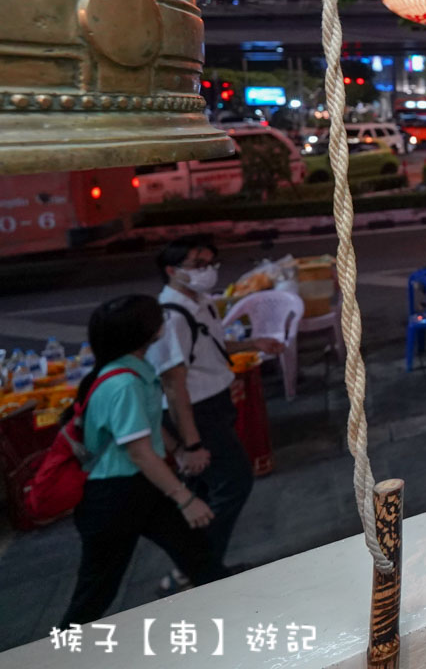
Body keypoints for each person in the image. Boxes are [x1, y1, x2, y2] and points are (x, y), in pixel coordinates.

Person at [60, 295, 227, 627]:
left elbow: (147, 427)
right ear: (141, 333)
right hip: (114, 497)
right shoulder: (123, 384)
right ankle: (56, 653)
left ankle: (237, 609)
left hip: (142, 487)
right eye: (157, 319)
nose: (164, 323)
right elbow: (138, 452)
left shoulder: (132, 370)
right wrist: (185, 497)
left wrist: (178, 450)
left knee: (198, 554)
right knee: (96, 592)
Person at [150, 234, 279, 588]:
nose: (207, 272)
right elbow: (174, 386)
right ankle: (199, 569)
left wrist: (253, 343)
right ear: (172, 270)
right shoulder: (170, 316)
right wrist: (190, 445)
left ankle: (191, 568)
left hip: (214, 403)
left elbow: (211, 346)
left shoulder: (200, 302)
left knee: (206, 492)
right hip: (195, 413)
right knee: (234, 482)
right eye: (198, 265)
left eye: (210, 264)